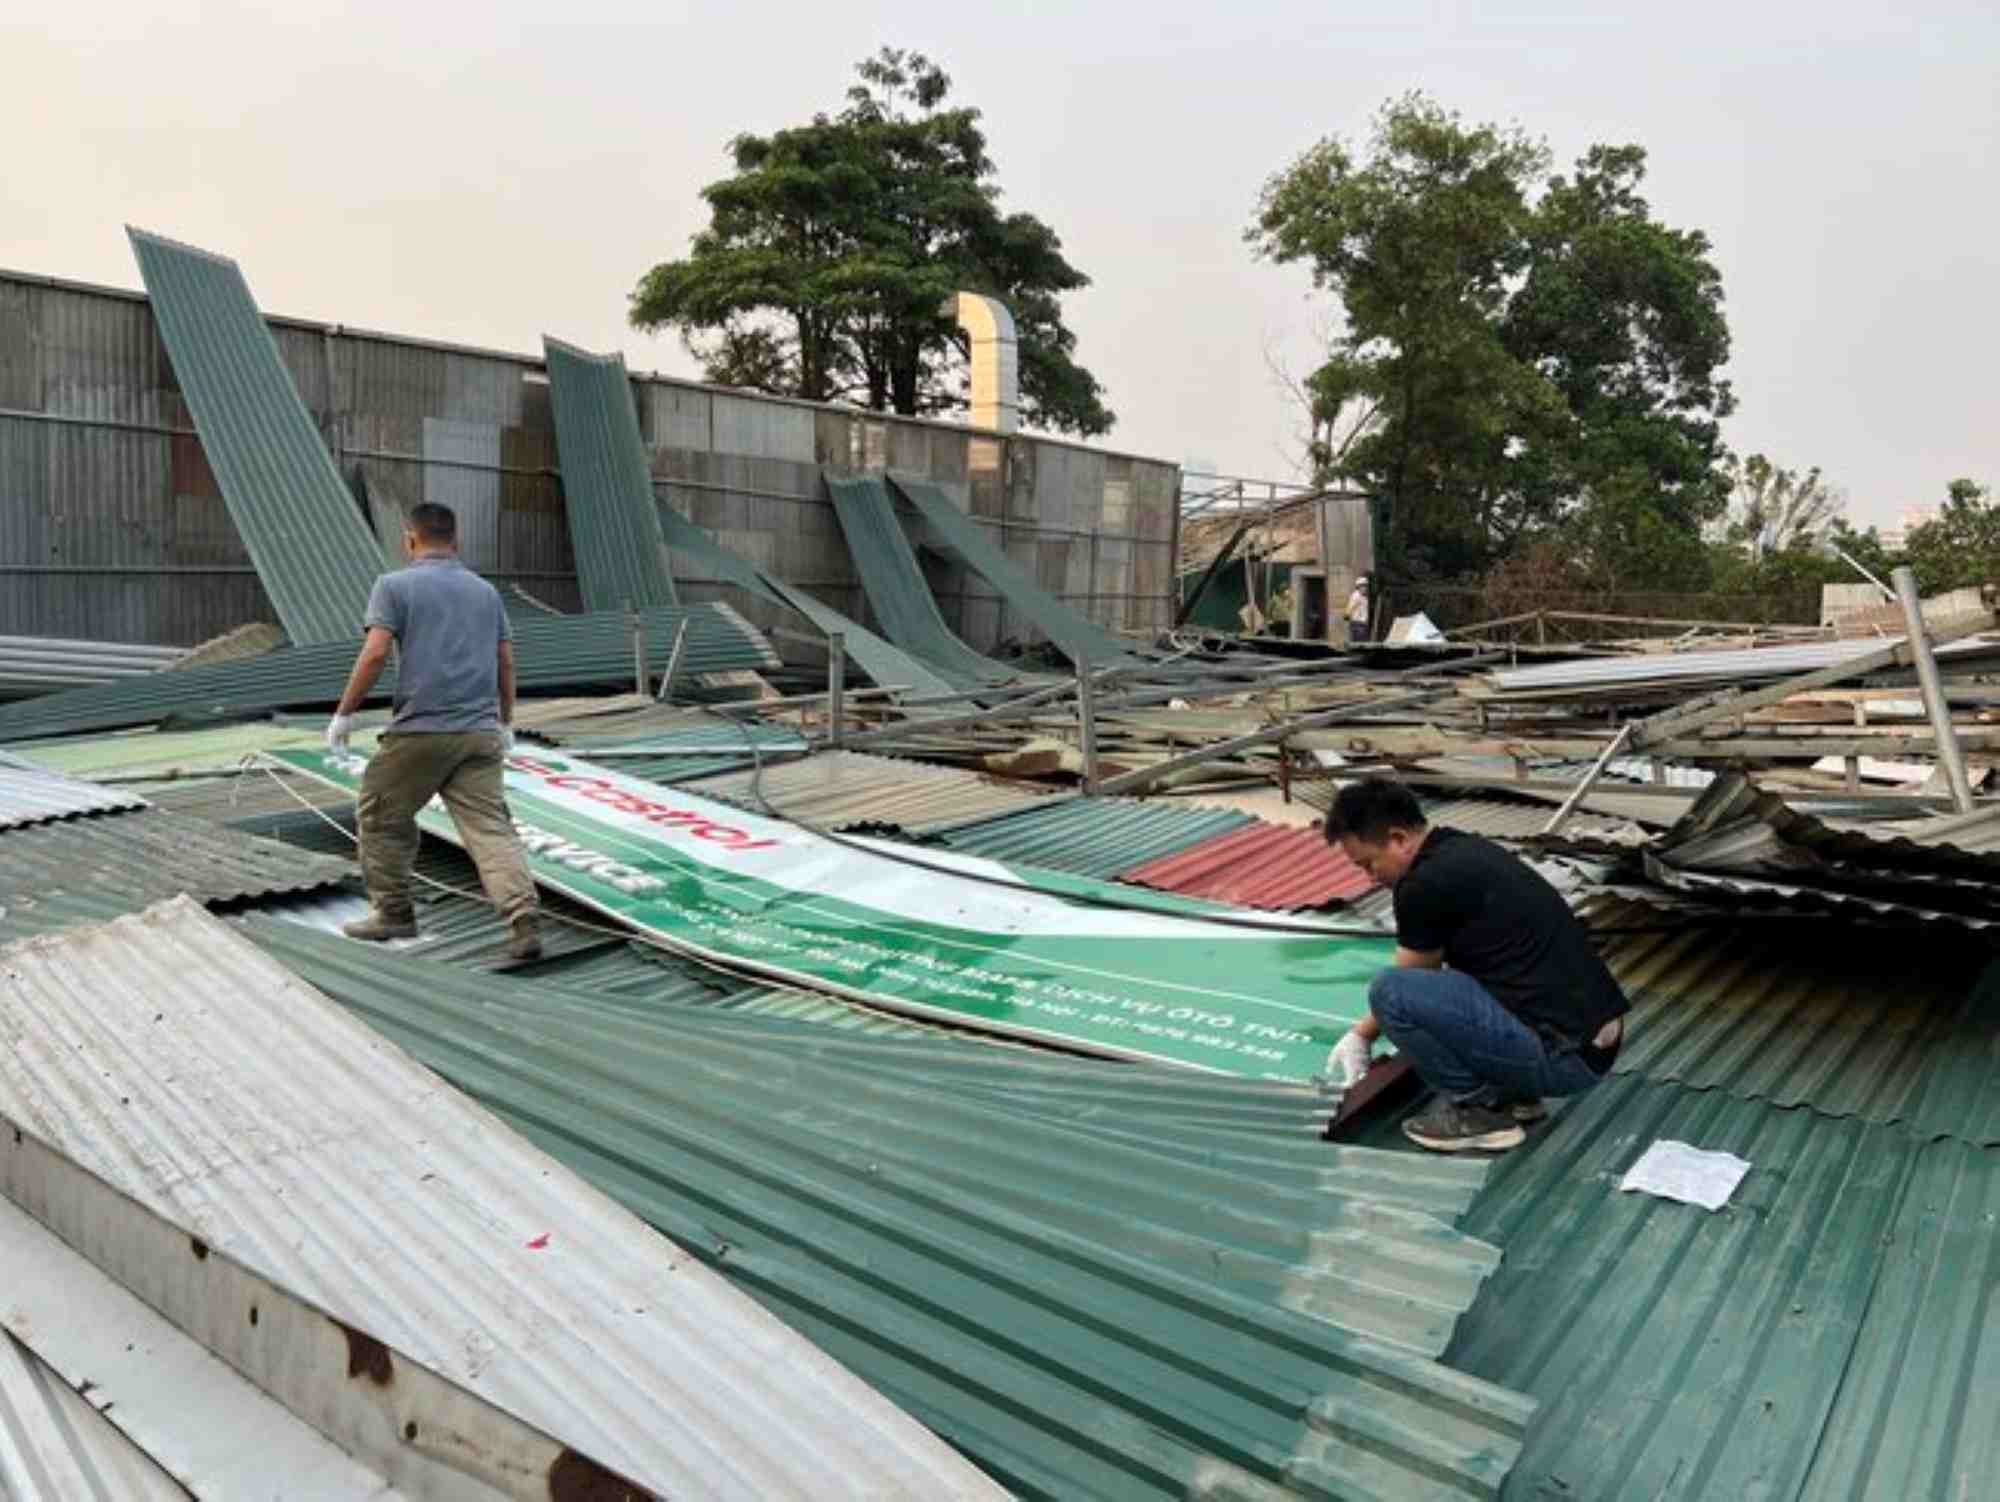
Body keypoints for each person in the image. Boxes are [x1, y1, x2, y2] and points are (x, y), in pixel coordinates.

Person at [1323, 777, 1626, 1152]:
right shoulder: (1461, 847)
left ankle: (1477, 1110)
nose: (1369, 877)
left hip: (1564, 1059)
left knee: (1391, 991)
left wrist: (1361, 1036)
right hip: (1593, 1044)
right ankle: (1519, 1094)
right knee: (1462, 979)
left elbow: (1410, 978)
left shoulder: (1422, 885)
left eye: (1368, 863)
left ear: (1399, 839)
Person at [326, 502, 542, 960]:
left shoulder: (393, 586)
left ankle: (394, 915)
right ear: (456, 541)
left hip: (420, 731)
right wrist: (505, 720)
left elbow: (375, 654)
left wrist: (345, 713)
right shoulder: (486, 593)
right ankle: (523, 920)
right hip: (480, 733)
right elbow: (505, 659)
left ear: (409, 540)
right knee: (490, 829)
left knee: (382, 815)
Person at [1344, 574, 1372, 645]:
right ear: (1358, 587)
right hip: (1357, 624)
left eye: (1366, 586)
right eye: (1363, 586)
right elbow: (1350, 607)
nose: (1365, 588)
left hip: (1362, 624)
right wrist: (1347, 614)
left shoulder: (1364, 597)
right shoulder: (1356, 595)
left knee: (1362, 643)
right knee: (1359, 644)